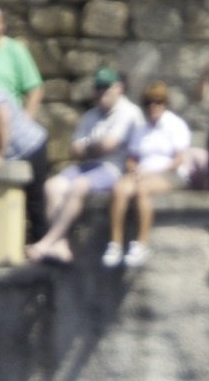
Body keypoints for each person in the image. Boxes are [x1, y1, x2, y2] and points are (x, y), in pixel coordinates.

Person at [29, 67, 141, 264]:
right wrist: (95, 147)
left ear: (119, 88)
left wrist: (89, 147)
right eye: (98, 88)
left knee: (79, 185)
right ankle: (60, 245)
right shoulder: (91, 115)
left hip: (114, 169)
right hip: (90, 166)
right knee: (52, 186)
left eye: (105, 88)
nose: (100, 93)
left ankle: (46, 242)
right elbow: (74, 149)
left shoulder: (128, 113)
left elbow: (109, 146)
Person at [106, 80, 191, 268]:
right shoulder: (141, 129)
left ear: (165, 103)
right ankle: (116, 243)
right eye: (148, 102)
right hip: (143, 173)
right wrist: (133, 169)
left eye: (157, 101)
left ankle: (142, 244)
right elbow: (132, 157)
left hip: (171, 174)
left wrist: (152, 172)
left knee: (143, 189)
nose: (153, 106)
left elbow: (179, 159)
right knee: (120, 187)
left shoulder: (175, 125)